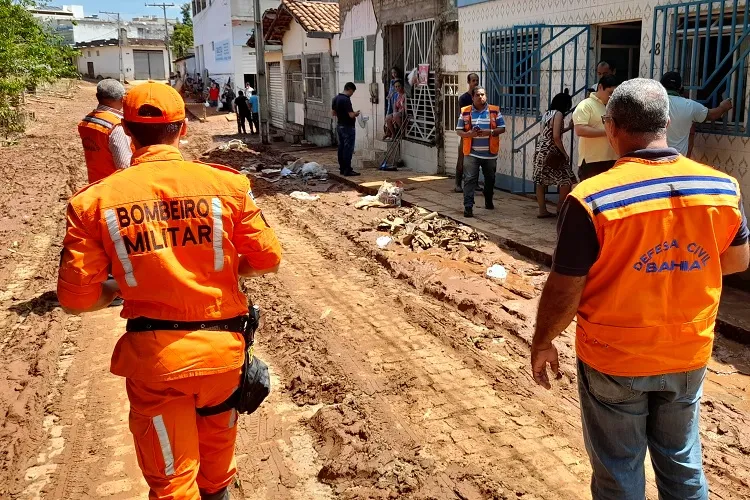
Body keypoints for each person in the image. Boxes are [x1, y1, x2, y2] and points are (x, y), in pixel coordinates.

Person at [57, 82, 283, 499]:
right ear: (182, 130)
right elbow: (268, 259)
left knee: (173, 483)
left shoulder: (93, 203)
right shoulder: (228, 187)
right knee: (217, 471)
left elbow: (76, 299)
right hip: (222, 357)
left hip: (157, 364)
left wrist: (113, 287)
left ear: (126, 132)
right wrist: (219, 271)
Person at [531, 78, 749, 500]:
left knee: (619, 470)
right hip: (687, 351)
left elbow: (565, 288)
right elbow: (737, 261)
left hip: (615, 357)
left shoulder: (590, 198)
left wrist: (543, 340)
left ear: (611, 128)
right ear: (666, 122)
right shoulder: (722, 188)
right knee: (682, 461)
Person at [455, 86, 506, 218]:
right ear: (472, 97)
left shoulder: (494, 111)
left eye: (483, 94)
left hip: (490, 153)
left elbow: (502, 128)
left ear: (486, 96)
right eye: (477, 95)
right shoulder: (465, 111)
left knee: (490, 179)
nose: (480, 97)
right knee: (470, 179)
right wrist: (469, 134)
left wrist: (491, 132)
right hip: (471, 153)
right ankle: (468, 207)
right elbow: (459, 130)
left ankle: (488, 199)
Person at [660, 71, 733, 157]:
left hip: (654, 161)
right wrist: (723, 107)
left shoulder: (654, 103)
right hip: (678, 161)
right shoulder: (690, 105)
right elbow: (712, 115)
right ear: (680, 88)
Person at [78, 79, 134, 183]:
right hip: (114, 187)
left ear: (97, 97)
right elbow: (124, 165)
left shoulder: (86, 121)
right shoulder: (116, 126)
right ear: (122, 99)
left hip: (95, 184)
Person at [532, 89, 575, 218]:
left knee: (540, 181)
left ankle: (542, 210)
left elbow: (548, 133)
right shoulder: (558, 114)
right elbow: (556, 137)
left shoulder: (547, 114)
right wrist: (565, 153)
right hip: (552, 151)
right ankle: (560, 207)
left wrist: (568, 128)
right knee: (567, 180)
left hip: (541, 150)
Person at [573, 74, 619, 181]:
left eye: (614, 94)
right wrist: (607, 132)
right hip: (592, 161)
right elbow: (580, 130)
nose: (611, 97)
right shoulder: (585, 105)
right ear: (600, 87)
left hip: (613, 159)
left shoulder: (612, 107)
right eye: (610, 93)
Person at [455, 73, 480, 193]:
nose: (475, 82)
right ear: (469, 82)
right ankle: (457, 184)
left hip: (477, 133)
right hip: (466, 132)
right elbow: (463, 116)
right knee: (462, 159)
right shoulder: (464, 98)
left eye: (477, 80)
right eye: (473, 80)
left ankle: (474, 183)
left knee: (476, 160)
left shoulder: (480, 97)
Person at [331, 82, 361, 177]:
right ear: (349, 89)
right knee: (348, 149)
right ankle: (347, 169)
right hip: (348, 126)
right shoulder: (346, 100)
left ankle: (342, 168)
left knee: (341, 147)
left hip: (340, 125)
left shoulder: (335, 98)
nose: (352, 94)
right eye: (352, 92)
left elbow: (333, 113)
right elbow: (351, 115)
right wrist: (356, 113)